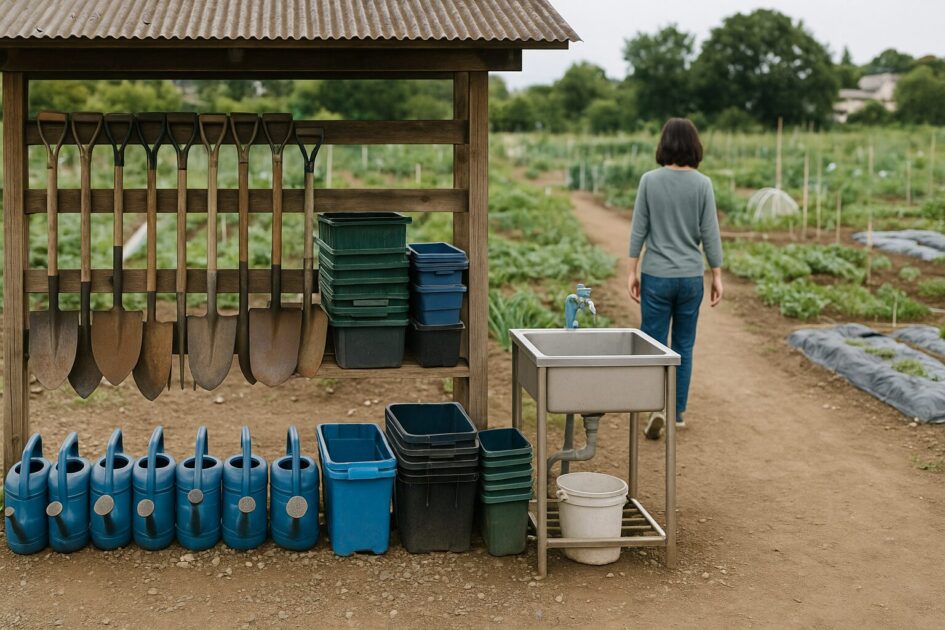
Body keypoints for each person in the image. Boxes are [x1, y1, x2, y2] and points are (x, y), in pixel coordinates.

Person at [627, 118, 723, 439]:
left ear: (663, 144)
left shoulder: (649, 181)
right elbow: (710, 234)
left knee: (653, 344)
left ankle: (655, 407)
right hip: (690, 276)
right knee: (684, 345)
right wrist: (717, 275)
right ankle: (677, 412)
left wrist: (631, 271)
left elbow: (639, 229)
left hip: (656, 274)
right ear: (695, 146)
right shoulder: (703, 184)